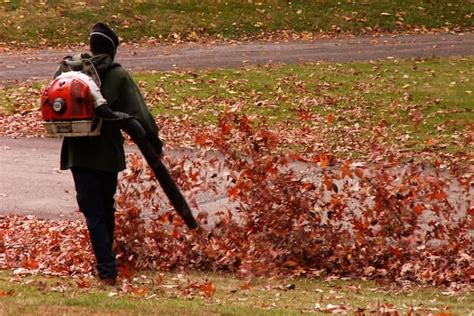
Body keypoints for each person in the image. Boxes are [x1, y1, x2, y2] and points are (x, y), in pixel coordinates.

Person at [58, 22, 163, 285]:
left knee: (93, 211)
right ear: (112, 49)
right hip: (107, 154)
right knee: (105, 208)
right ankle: (107, 269)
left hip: (77, 152)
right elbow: (141, 115)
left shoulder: (67, 70)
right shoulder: (117, 75)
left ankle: (106, 268)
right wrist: (155, 143)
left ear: (92, 46)